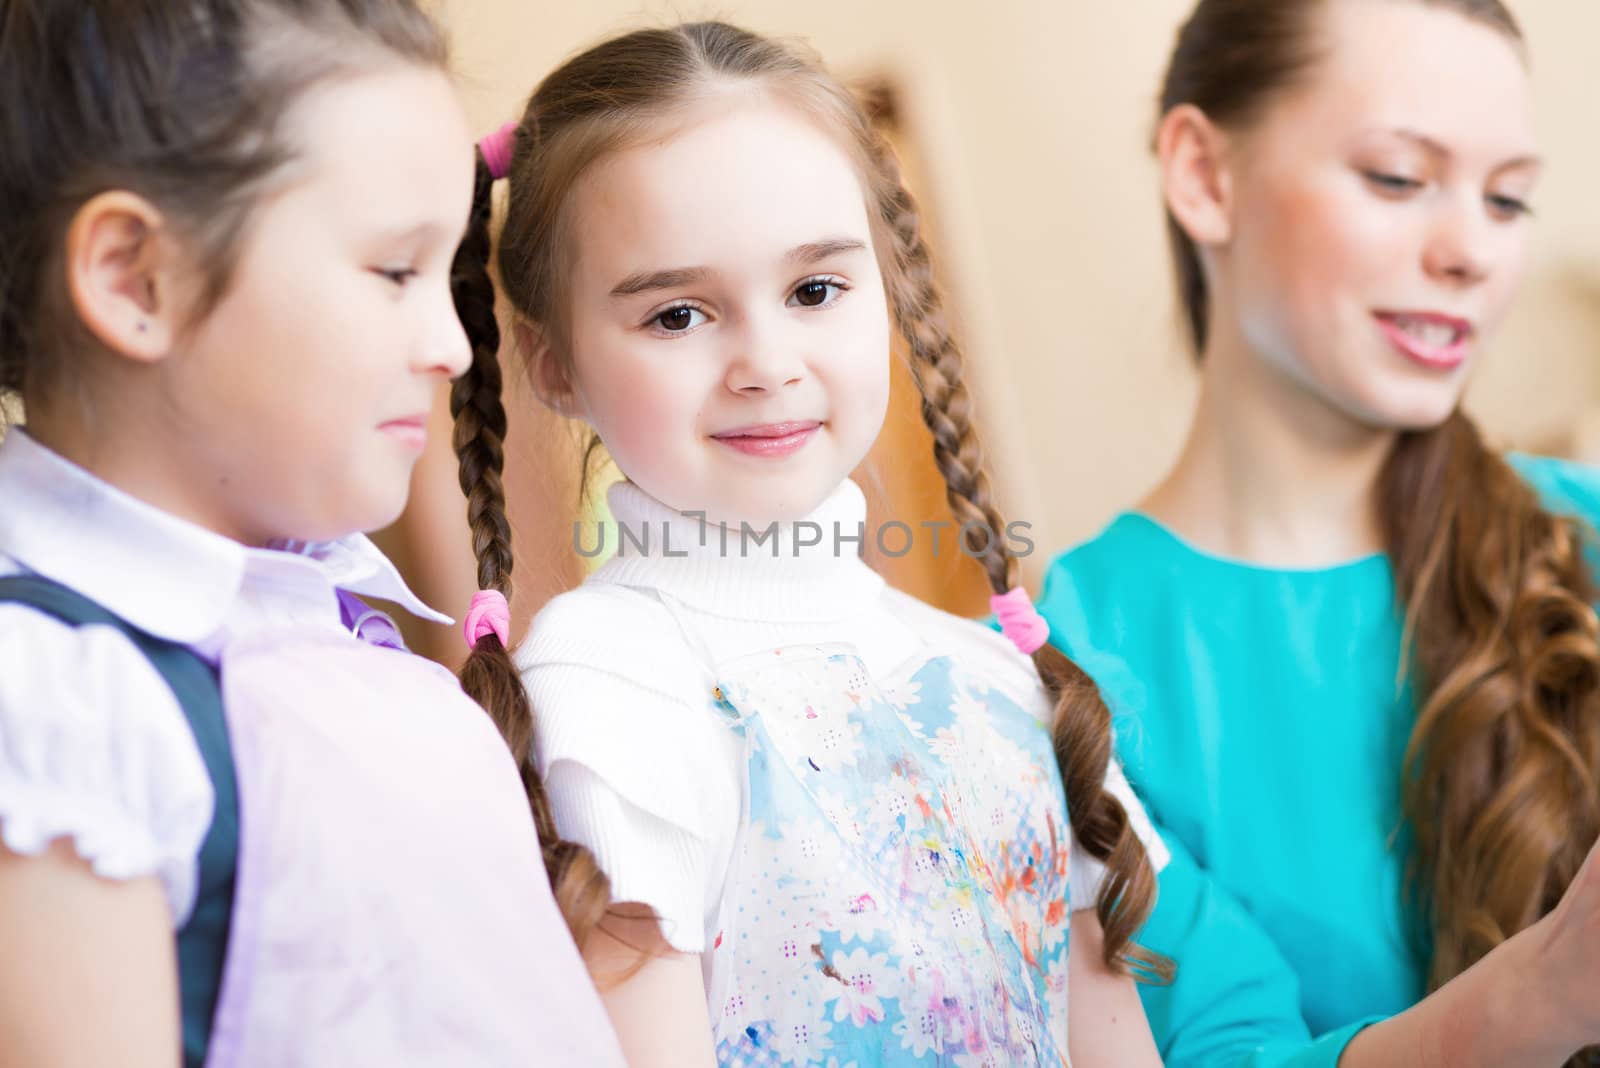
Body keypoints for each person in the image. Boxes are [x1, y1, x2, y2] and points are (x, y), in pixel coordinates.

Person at [0, 2, 622, 1064]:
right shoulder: (59, 698)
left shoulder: (343, 639)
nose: (451, 348)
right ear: (133, 279)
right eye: (394, 271)